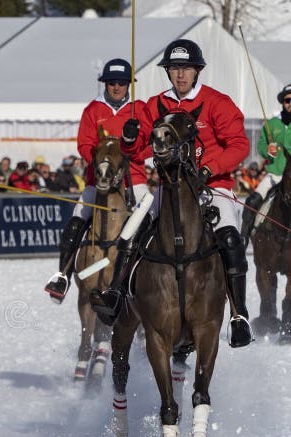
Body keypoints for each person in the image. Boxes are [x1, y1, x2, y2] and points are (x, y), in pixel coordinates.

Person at [90, 39, 252, 348]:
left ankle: (239, 314)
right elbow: (136, 150)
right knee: (132, 229)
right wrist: (128, 140)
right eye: (175, 69)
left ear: (197, 71)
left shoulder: (217, 102)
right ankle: (115, 295)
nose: (181, 75)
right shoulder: (153, 105)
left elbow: (239, 145)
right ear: (168, 72)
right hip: (169, 187)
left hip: (211, 187)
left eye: (187, 69)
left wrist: (209, 168)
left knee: (228, 235)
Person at [45, 58, 152, 303]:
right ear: (105, 83)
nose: (116, 87)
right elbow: (84, 144)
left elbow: (147, 147)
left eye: (122, 83)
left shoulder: (140, 110)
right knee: (78, 218)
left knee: (151, 219)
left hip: (134, 178)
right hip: (98, 180)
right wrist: (103, 162)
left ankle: (148, 278)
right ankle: (62, 276)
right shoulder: (93, 110)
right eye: (112, 82)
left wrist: (132, 147)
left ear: (129, 85)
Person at [241, 83, 291, 245]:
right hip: (274, 176)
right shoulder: (271, 124)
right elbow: (261, 145)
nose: (290, 103)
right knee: (252, 202)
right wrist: (268, 151)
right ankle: (243, 240)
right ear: (282, 102)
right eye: (287, 100)